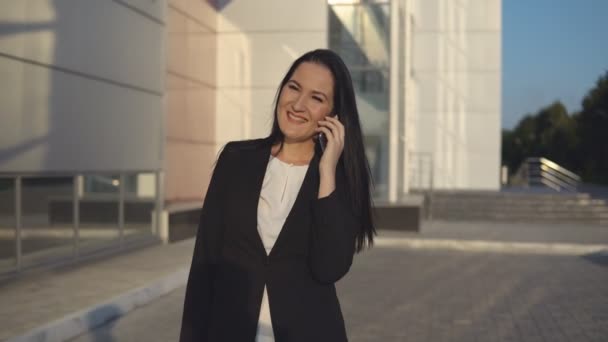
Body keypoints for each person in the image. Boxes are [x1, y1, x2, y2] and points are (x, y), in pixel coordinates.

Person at [179, 49, 376, 342]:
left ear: (332, 116)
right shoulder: (236, 159)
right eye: (294, 87)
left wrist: (327, 171)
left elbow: (329, 268)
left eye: (316, 98)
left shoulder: (338, 182)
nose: (298, 104)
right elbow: (205, 262)